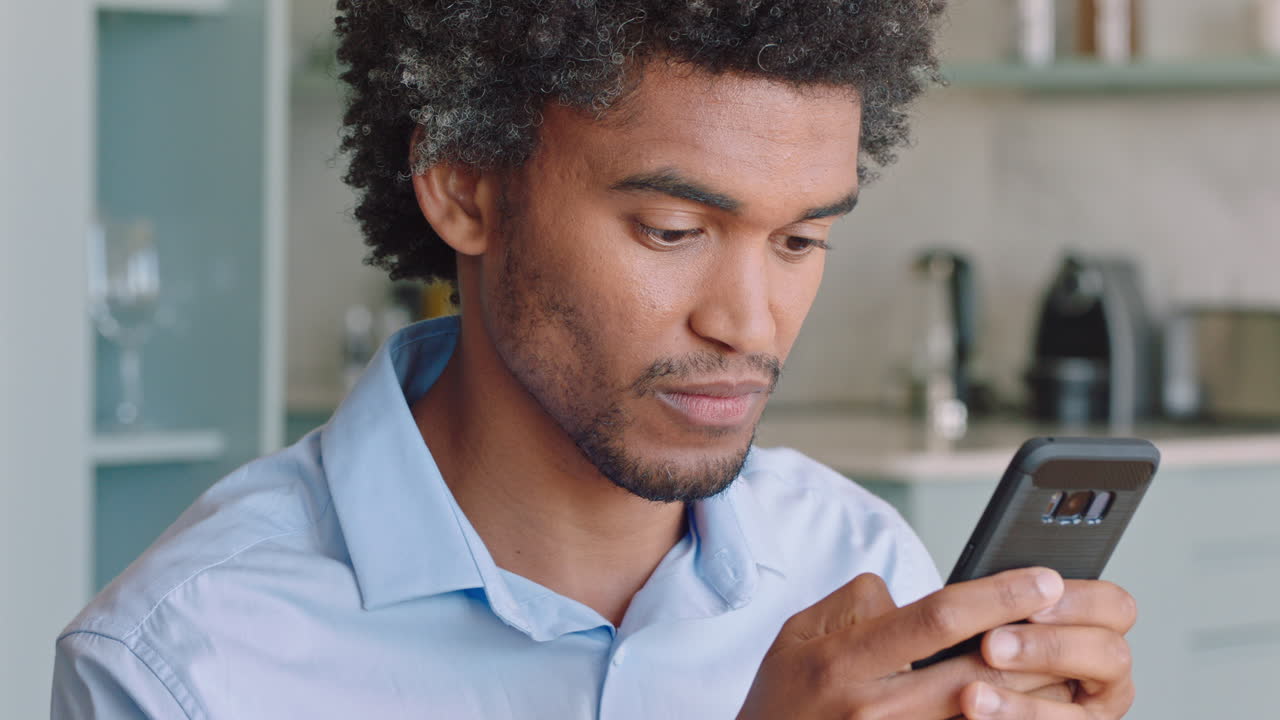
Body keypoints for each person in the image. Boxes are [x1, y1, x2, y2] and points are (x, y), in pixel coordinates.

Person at [52, 1, 1138, 718]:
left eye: (801, 240)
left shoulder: (855, 565)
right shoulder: (180, 664)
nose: (750, 326)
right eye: (672, 231)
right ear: (465, 187)